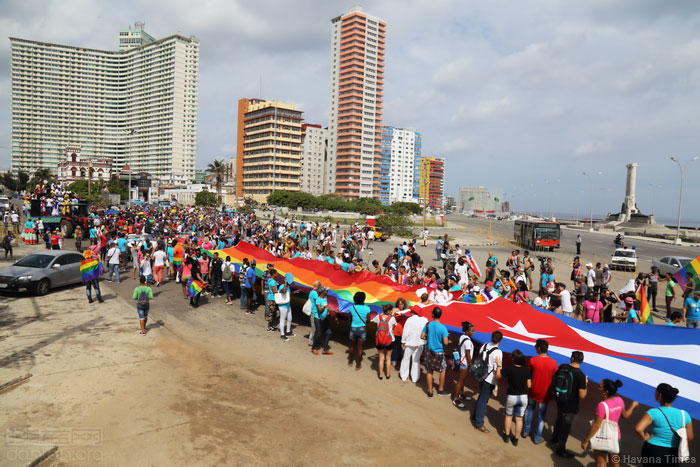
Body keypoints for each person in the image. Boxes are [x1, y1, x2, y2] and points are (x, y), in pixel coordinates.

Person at [581, 379, 638, 467]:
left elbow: (596, 426)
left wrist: (586, 439)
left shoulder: (602, 405)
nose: (598, 388)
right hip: (615, 437)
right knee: (615, 462)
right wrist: (633, 406)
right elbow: (625, 416)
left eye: (599, 387)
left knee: (601, 462)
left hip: (602, 438)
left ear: (606, 392)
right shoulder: (619, 400)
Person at [635, 383, 694, 467]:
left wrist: (644, 437)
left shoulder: (653, 412)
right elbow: (690, 437)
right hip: (673, 453)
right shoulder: (685, 415)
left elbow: (638, 429)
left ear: (660, 395)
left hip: (653, 450)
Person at [551, 351, 588, 458]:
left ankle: (554, 438)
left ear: (572, 358)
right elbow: (582, 395)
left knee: (559, 418)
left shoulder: (562, 366)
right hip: (571, 405)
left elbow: (555, 377)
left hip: (560, 399)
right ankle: (561, 449)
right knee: (566, 427)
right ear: (581, 361)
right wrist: (585, 384)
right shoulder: (580, 375)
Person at [522, 339, 559, 445]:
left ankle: (525, 431)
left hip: (533, 391)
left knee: (529, 410)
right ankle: (537, 437)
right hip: (545, 393)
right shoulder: (553, 363)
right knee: (541, 415)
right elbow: (554, 378)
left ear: (538, 348)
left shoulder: (532, 360)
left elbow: (528, 375)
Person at [471, 331, 503, 433]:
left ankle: (475, 416)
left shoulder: (484, 345)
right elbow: (497, 370)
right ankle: (479, 422)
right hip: (489, 379)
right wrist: (497, 386)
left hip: (481, 375)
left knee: (482, 397)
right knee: (483, 400)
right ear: (500, 340)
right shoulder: (498, 352)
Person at [500, 349, 531, 446]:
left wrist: (498, 365)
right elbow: (529, 385)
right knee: (519, 419)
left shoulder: (509, 369)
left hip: (512, 396)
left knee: (508, 416)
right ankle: (516, 439)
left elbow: (499, 376)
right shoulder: (527, 371)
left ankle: (507, 436)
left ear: (514, 359)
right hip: (523, 397)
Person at [420, 307, 449, 398]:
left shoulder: (428, 325)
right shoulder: (443, 328)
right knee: (443, 370)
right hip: (439, 352)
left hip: (428, 350)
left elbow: (422, 336)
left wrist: (428, 338)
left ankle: (430, 391)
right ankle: (440, 389)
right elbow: (445, 342)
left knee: (429, 370)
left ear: (432, 314)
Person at [400, 303, 429, 383]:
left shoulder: (410, 319)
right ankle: (415, 378)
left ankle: (404, 376)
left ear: (413, 312)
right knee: (416, 360)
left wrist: (403, 341)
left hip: (410, 343)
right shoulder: (425, 320)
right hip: (420, 343)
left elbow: (405, 331)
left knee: (406, 359)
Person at [451, 321, 475, 408]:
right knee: (460, 381)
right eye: (472, 331)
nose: (473, 332)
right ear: (467, 331)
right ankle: (456, 399)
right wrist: (471, 365)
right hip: (464, 363)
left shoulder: (462, 336)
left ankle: (461, 394)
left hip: (462, 362)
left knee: (463, 380)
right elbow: (468, 354)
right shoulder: (468, 342)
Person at [372, 304, 397, 380]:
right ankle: (388, 374)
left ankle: (380, 375)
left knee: (381, 358)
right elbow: (395, 325)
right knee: (388, 358)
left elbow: (372, 320)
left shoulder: (378, 317)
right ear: (389, 311)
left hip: (379, 340)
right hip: (390, 340)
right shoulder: (392, 319)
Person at [347, 291, 370, 370]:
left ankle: (350, 361)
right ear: (364, 299)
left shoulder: (352, 308)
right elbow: (369, 320)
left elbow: (349, 318)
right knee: (360, 348)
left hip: (353, 328)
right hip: (362, 329)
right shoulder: (367, 308)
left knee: (352, 346)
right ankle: (358, 365)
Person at [311, 287, 333, 355]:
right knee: (318, 333)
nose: (327, 291)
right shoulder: (318, 300)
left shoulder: (325, 298)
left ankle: (325, 349)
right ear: (323, 292)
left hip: (324, 318)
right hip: (318, 319)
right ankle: (313, 348)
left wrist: (330, 310)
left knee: (329, 332)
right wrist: (324, 308)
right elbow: (320, 311)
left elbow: (326, 306)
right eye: (326, 291)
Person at [306, 281, 321, 345]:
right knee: (314, 327)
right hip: (314, 311)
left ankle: (314, 339)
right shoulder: (315, 293)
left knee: (314, 327)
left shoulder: (311, 292)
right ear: (318, 286)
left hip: (313, 311)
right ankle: (311, 340)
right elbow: (318, 302)